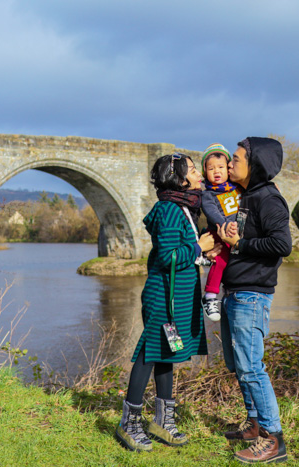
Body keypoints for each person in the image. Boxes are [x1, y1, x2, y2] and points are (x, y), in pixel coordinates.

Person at [116, 153, 220, 452]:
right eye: (193, 170)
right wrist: (199, 245)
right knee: (150, 352)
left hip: (179, 295)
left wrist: (201, 253)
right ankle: (129, 422)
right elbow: (167, 258)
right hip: (164, 295)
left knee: (167, 354)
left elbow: (180, 253)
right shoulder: (169, 210)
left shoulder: (183, 208)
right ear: (179, 179)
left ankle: (163, 420)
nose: (200, 174)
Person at [216, 137, 292, 464]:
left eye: (235, 159)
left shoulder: (269, 199)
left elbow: (282, 244)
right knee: (238, 365)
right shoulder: (246, 196)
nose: (229, 164)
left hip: (252, 295)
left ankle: (273, 439)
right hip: (235, 293)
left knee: (252, 368)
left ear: (254, 164)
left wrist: (241, 244)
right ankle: (254, 424)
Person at [199, 143, 241, 322]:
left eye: (221, 167)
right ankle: (209, 297)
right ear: (205, 172)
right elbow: (212, 212)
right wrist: (225, 225)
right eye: (211, 168)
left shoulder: (237, 186)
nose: (216, 171)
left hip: (238, 232)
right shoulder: (208, 194)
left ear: (228, 168)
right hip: (219, 232)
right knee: (221, 260)